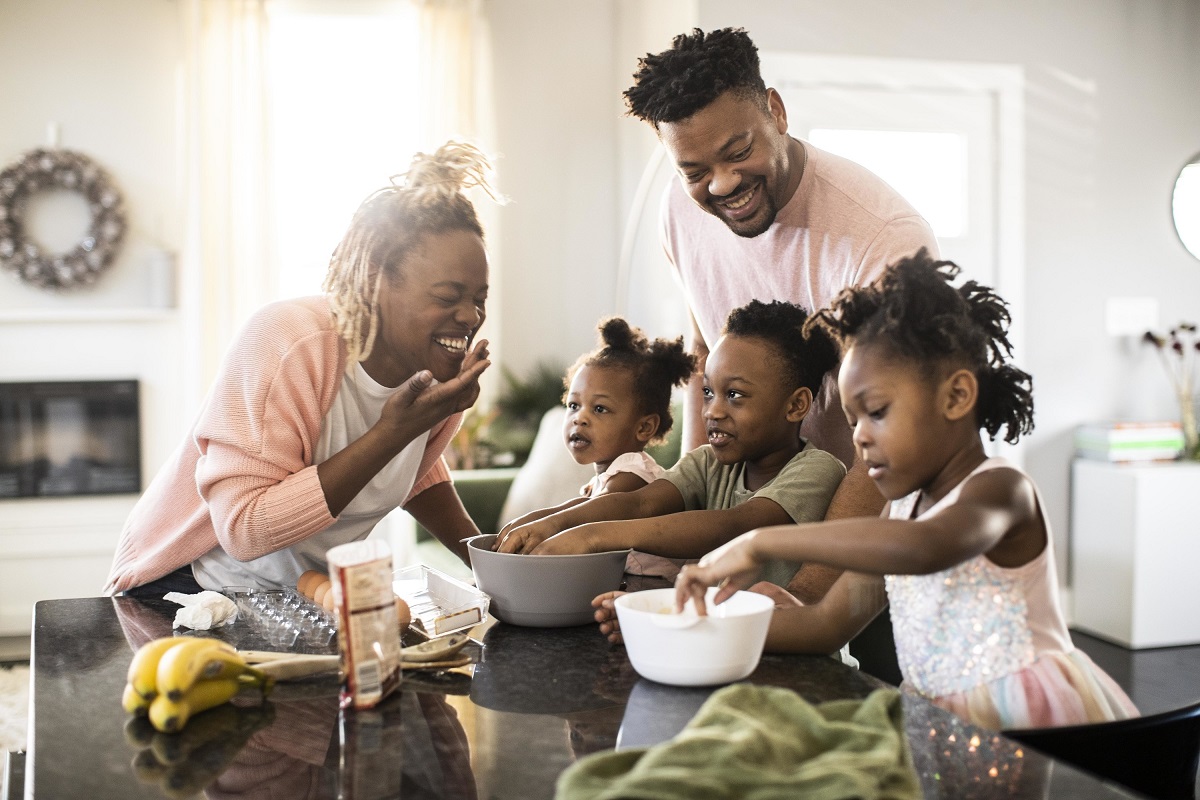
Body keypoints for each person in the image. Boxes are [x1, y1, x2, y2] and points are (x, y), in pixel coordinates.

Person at [671, 251, 1139, 731]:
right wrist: (684, 627)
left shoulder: (1001, 490)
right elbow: (826, 624)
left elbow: (927, 546)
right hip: (940, 726)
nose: (860, 438)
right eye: (852, 421)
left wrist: (758, 541)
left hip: (1029, 730)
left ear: (956, 396)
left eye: (876, 412)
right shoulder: (902, 512)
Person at [624, 27, 940, 602]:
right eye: (694, 171)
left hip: (878, 533)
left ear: (776, 110)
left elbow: (895, 430)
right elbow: (705, 362)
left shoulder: (883, 238)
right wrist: (698, 525)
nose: (721, 184)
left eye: (739, 152)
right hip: (758, 538)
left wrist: (809, 596)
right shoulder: (680, 209)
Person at [104, 141, 497, 596]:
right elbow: (244, 528)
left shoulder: (436, 374)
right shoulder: (288, 341)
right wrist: (393, 433)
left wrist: (490, 562)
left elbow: (415, 473)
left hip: (301, 597)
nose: (470, 317)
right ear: (375, 280)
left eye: (479, 299)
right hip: (186, 586)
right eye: (448, 298)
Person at [495, 299, 846, 594]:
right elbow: (642, 503)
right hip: (716, 641)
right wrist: (548, 522)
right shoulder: (708, 463)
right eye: (708, 392)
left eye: (734, 395)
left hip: (791, 657)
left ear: (796, 405)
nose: (713, 411)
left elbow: (735, 526)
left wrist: (593, 536)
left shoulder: (817, 469)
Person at [498, 316, 697, 579]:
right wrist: (534, 519)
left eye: (600, 408)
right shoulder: (606, 477)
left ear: (644, 428)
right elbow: (585, 506)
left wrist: (545, 521)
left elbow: (603, 509)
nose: (579, 417)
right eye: (573, 405)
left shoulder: (635, 474)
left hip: (657, 589)